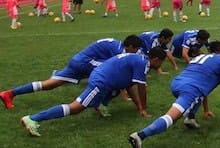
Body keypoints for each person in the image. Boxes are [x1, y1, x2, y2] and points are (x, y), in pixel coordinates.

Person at [19, 48, 167, 137]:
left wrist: (139, 108)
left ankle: (101, 105)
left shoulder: (140, 60)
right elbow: (141, 89)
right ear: (155, 59)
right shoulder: (141, 64)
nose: (160, 65)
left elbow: (129, 85)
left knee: (119, 86)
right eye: (161, 62)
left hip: (105, 78)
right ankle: (33, 119)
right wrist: (144, 109)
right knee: (76, 108)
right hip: (101, 81)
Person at [128, 42, 220, 148]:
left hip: (177, 83)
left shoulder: (202, 56)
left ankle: (190, 119)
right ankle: (140, 135)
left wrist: (206, 110)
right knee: (171, 118)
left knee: (197, 96)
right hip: (190, 88)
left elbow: (203, 85)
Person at [0, 36, 143, 110]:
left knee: (50, 84)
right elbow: (119, 76)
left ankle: (10, 93)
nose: (136, 53)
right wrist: (124, 95)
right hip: (85, 63)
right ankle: (99, 105)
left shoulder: (117, 44)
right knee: (111, 76)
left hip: (78, 60)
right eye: (135, 49)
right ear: (129, 46)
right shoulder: (119, 51)